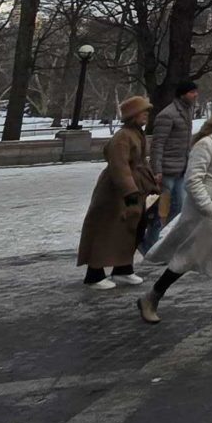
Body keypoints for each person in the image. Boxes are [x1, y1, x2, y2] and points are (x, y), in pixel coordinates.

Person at [138, 107, 212, 323]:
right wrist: (208, 207)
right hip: (211, 209)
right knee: (188, 256)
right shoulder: (207, 144)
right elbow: (193, 179)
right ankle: (151, 297)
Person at [77, 97, 157, 289]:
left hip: (131, 188)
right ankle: (94, 274)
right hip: (115, 192)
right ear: (133, 115)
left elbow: (138, 164)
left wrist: (150, 185)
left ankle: (123, 269)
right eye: (143, 111)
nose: (146, 114)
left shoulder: (135, 134)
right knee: (107, 230)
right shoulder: (123, 137)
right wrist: (130, 192)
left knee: (128, 229)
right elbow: (120, 166)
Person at [145, 77, 200, 252]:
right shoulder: (168, 114)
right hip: (167, 170)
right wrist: (157, 169)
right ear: (183, 94)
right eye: (192, 92)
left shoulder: (187, 111)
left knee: (178, 208)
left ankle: (154, 241)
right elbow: (158, 143)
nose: (195, 95)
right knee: (161, 210)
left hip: (181, 168)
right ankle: (149, 243)